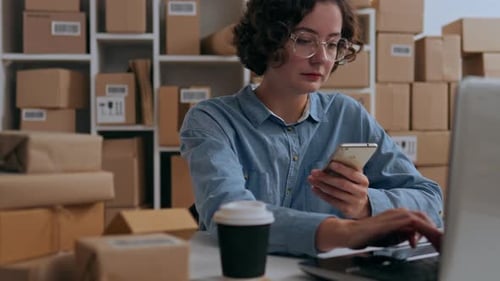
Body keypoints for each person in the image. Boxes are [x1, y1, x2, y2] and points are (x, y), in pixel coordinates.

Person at [180, 0, 443, 256]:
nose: (322, 58)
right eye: (305, 40)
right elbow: (228, 213)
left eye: (332, 44)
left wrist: (366, 205)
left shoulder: (347, 114)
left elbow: (430, 199)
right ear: (269, 40)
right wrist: (346, 232)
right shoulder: (212, 120)